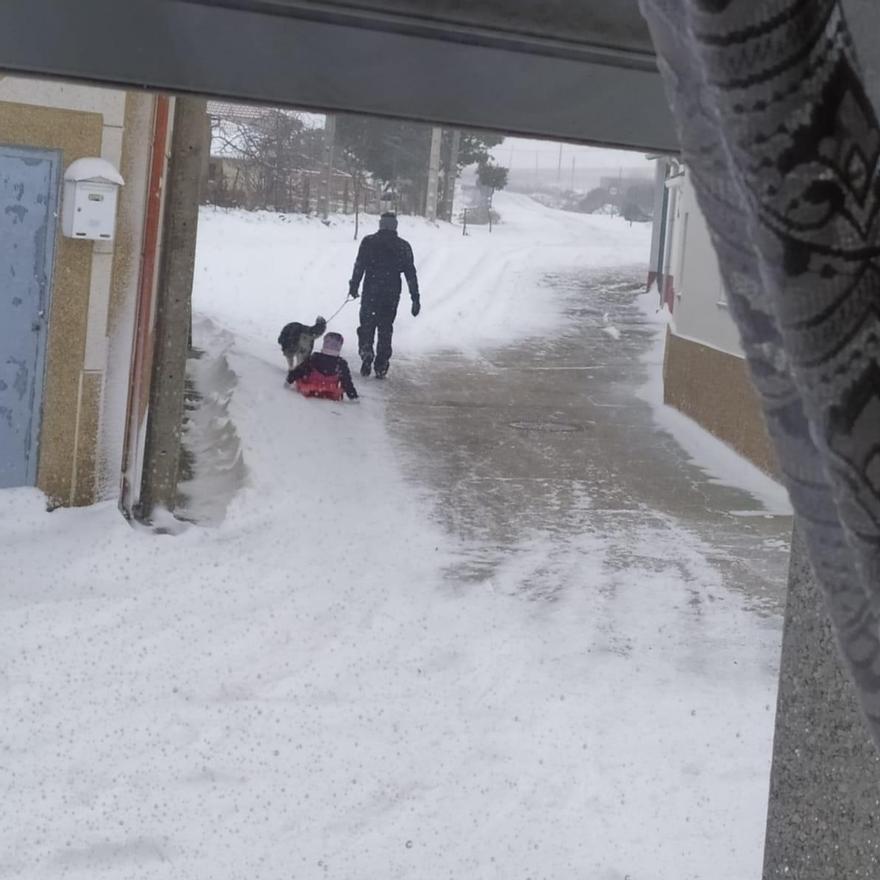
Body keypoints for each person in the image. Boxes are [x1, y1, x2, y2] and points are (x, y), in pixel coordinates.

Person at [348, 212, 420, 379]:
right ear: (395, 226)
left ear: (381, 224)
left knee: (367, 326)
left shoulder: (368, 242)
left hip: (371, 292)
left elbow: (359, 265)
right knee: (385, 329)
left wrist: (354, 285)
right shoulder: (403, 246)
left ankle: (366, 351)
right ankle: (381, 364)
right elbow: (411, 274)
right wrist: (415, 297)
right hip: (391, 294)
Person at [288, 331, 358, 401]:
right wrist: (353, 396)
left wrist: (289, 379)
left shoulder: (315, 358)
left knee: (303, 370)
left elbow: (299, 371)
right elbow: (347, 382)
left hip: (309, 387)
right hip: (331, 391)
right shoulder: (341, 363)